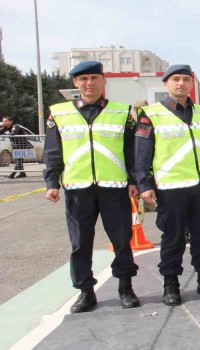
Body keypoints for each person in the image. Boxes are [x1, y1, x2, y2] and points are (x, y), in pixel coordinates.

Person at [43, 61, 140, 313]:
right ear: (75, 83)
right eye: (83, 78)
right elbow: (53, 152)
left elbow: (132, 151)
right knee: (80, 242)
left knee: (121, 239)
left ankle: (125, 288)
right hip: (77, 188)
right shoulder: (59, 113)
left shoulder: (123, 112)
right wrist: (51, 183)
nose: (89, 83)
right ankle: (86, 292)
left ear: (103, 80)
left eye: (94, 78)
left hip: (114, 187)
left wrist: (133, 181)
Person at [135, 64, 200, 306]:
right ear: (166, 84)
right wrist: (144, 184)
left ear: (191, 84)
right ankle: (171, 283)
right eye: (175, 79)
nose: (181, 83)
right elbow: (142, 152)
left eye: (186, 79)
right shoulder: (150, 113)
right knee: (173, 237)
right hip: (171, 187)